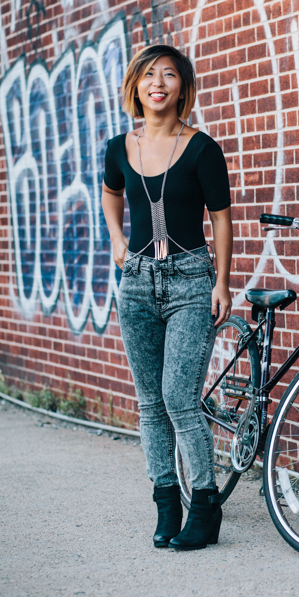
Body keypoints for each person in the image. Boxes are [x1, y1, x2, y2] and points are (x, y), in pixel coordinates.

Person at [101, 44, 233, 551]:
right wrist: (116, 239)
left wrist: (221, 281)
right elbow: (112, 193)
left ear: (183, 87)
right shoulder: (119, 148)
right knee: (150, 402)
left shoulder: (202, 148)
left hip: (190, 283)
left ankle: (204, 504)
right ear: (136, 85)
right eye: (149, 74)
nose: (159, 82)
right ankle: (165, 500)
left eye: (170, 75)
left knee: (180, 399)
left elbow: (220, 218)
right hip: (135, 283)